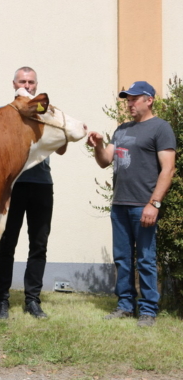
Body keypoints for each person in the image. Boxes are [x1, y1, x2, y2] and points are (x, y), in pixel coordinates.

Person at [87, 81, 176, 327]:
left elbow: (168, 170)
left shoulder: (161, 128)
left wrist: (154, 204)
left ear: (149, 100)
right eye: (128, 99)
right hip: (120, 205)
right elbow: (105, 161)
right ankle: (125, 306)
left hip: (143, 205)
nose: (130, 104)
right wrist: (98, 146)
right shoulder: (121, 129)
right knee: (122, 258)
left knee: (146, 259)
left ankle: (148, 310)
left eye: (135, 99)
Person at [0, 66, 66, 320]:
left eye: (32, 81)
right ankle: (1, 301)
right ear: (14, 85)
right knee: (7, 243)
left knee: (38, 244)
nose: (28, 85)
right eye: (23, 81)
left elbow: (62, 149)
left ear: (37, 85)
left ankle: (32, 300)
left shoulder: (47, 112)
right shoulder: (7, 113)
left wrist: (64, 135)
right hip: (13, 186)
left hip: (42, 185)